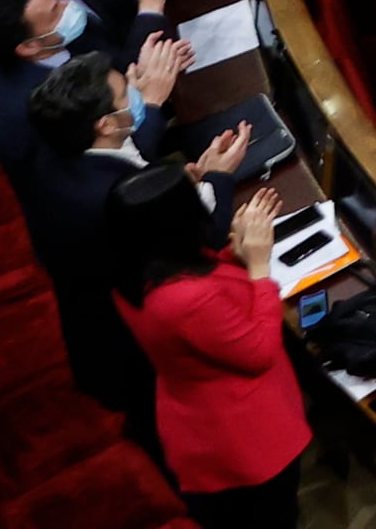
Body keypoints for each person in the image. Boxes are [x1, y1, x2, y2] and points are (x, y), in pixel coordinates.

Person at [109, 167, 308, 529]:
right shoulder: (183, 300)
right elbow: (259, 351)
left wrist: (236, 252)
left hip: (199, 412)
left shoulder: (136, 268)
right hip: (244, 436)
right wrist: (260, 266)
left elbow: (206, 277)